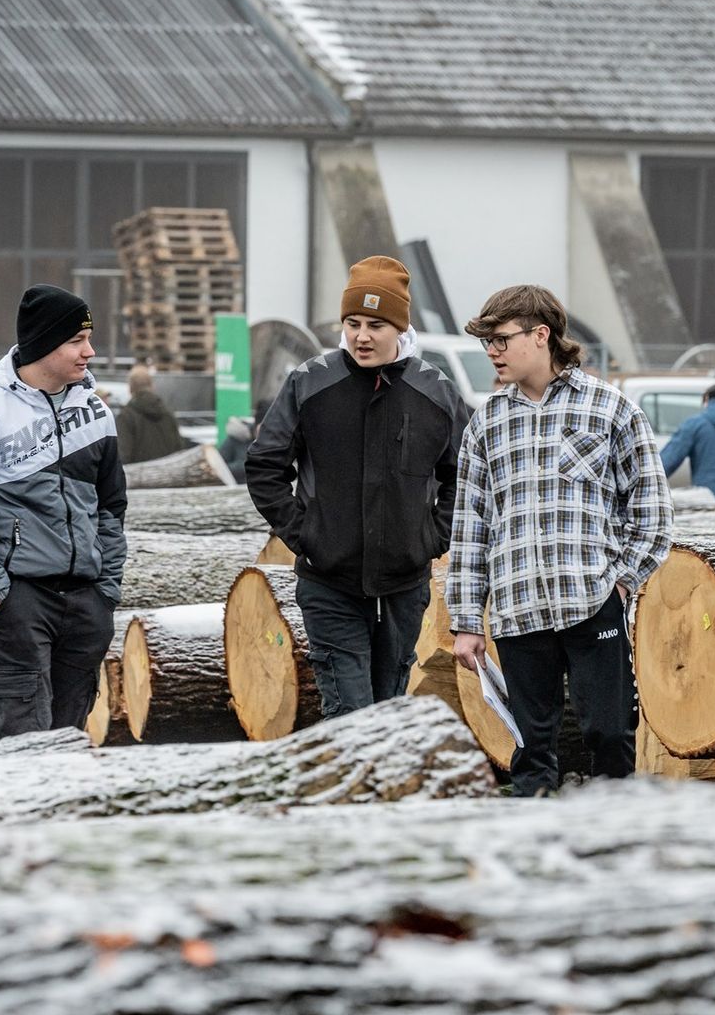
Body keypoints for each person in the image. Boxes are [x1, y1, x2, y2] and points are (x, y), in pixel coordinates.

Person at [448, 284, 673, 798]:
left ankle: (612, 844)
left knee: (611, 734)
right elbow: (470, 527)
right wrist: (465, 620)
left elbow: (653, 511)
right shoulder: (485, 424)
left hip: (593, 603)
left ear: (541, 335)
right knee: (531, 748)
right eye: (487, 341)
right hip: (517, 609)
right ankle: (537, 857)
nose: (492, 352)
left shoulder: (610, 409)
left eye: (500, 339)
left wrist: (621, 583)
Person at [247, 256, 471, 718]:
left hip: (404, 585)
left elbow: (466, 476)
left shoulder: (436, 391)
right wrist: (306, 534)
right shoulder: (310, 383)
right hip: (330, 581)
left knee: (388, 707)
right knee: (349, 712)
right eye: (352, 323)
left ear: (399, 329)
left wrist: (432, 536)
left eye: (376, 325)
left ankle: (379, 792)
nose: (362, 336)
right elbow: (265, 465)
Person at [0, 284, 127, 739]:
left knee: (70, 737)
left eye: (88, 339)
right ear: (43, 344)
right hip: (18, 600)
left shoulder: (95, 412)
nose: (90, 352)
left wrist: (106, 589)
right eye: (77, 341)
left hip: (85, 603)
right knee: (24, 740)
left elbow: (111, 505)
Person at [115, 364, 187, 465]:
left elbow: (123, 456)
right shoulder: (168, 414)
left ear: (130, 388)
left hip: (140, 478)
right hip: (169, 476)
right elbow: (179, 451)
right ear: (152, 386)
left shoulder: (126, 417)